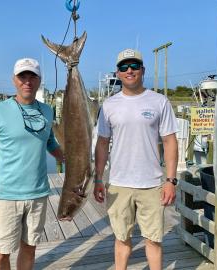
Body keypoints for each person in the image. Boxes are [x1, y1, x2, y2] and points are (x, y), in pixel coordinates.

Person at [0, 57, 64, 270]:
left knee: (29, 248)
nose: (27, 81)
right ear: (14, 80)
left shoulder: (47, 110)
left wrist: (69, 159)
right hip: (6, 195)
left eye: (32, 76)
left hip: (38, 194)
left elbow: (50, 142)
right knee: (0, 255)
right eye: (22, 76)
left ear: (39, 81)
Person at [93, 49, 178, 270]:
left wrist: (171, 180)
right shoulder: (109, 105)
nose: (129, 70)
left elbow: (169, 142)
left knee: (154, 239)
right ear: (117, 73)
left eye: (134, 66)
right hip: (119, 184)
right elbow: (102, 143)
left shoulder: (159, 101)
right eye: (123, 67)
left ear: (143, 70)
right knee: (121, 239)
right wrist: (98, 179)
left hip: (152, 184)